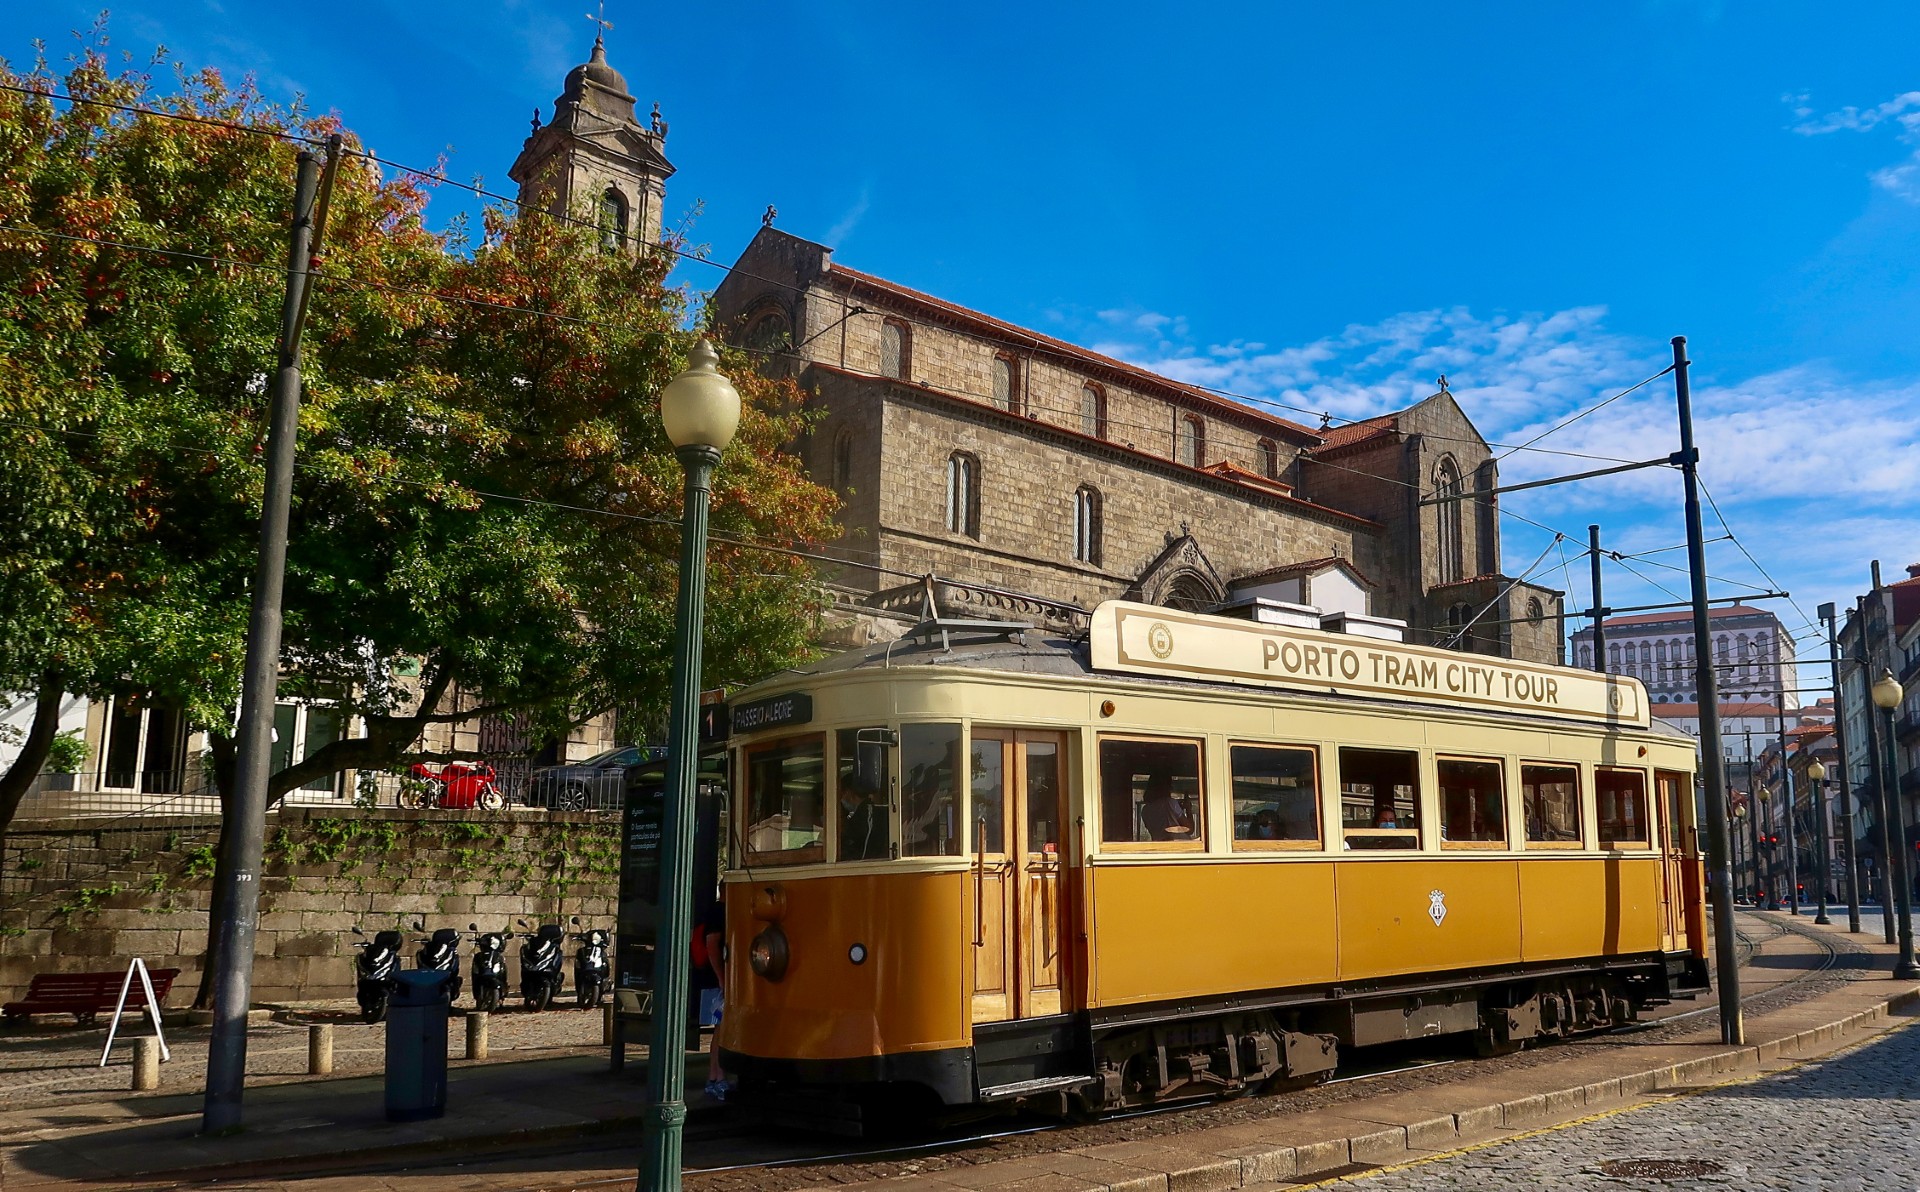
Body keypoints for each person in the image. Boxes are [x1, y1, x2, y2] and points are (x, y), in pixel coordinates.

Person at [700, 892, 731, 1102]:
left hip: (716, 978)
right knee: (721, 1028)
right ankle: (718, 1078)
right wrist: (721, 977)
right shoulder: (720, 911)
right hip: (718, 980)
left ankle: (714, 1078)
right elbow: (712, 943)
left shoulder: (716, 911)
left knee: (719, 1029)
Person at [1139, 774, 1193, 841]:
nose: (1171, 788)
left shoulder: (1145, 810)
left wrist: (1178, 809)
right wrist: (1188, 809)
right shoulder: (1169, 803)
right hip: (1177, 846)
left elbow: (1161, 821)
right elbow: (1190, 829)